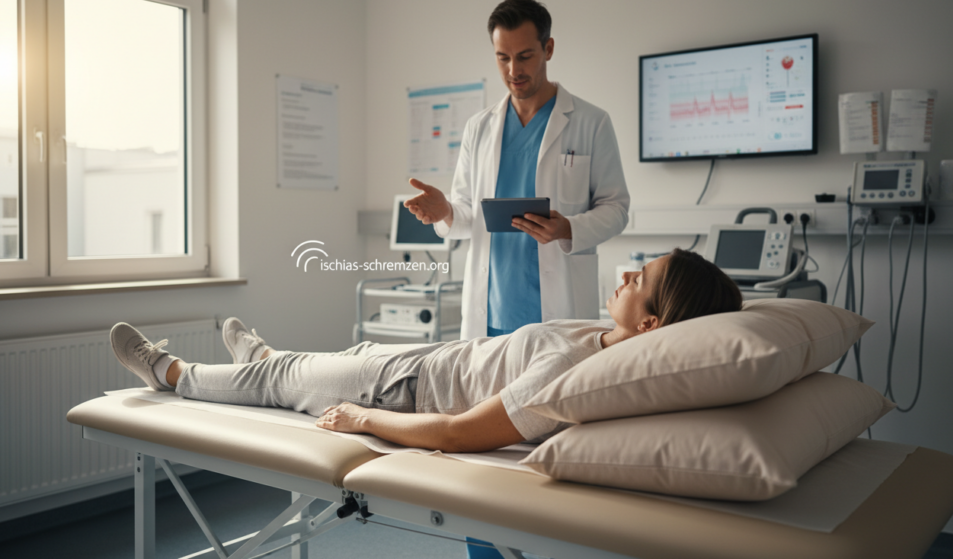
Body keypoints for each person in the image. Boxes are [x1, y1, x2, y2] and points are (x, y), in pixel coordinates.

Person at [110, 250, 742, 452]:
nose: (627, 273)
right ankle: (262, 358)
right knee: (330, 356)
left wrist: (364, 419)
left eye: (641, 278)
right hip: (426, 364)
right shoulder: (597, 334)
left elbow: (459, 433)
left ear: (651, 324)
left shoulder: (572, 374)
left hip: (401, 395)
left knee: (285, 380)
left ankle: (173, 373)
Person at [404, 0, 630, 340]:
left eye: (524, 56)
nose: (513, 71)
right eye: (503, 58)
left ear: (548, 49)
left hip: (561, 310)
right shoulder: (479, 127)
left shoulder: (591, 122)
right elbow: (467, 214)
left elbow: (616, 208)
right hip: (491, 311)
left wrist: (568, 228)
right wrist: (446, 211)